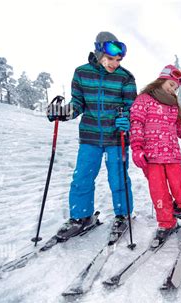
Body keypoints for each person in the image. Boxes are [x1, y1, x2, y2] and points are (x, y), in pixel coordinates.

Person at [46, 31, 137, 239]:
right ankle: (81, 217)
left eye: (118, 59)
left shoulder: (126, 77)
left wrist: (128, 120)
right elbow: (77, 104)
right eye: (111, 59)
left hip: (117, 138)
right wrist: (62, 112)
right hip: (90, 137)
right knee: (82, 177)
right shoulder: (81, 73)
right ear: (98, 53)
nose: (115, 63)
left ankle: (123, 215)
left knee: (119, 178)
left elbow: (133, 108)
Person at [129, 65, 181, 250]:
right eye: (171, 84)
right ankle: (166, 223)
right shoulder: (143, 100)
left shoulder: (173, 106)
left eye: (176, 88)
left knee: (180, 191)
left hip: (171, 157)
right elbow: (136, 124)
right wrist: (137, 148)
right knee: (158, 192)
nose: (173, 89)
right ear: (162, 80)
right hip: (152, 158)